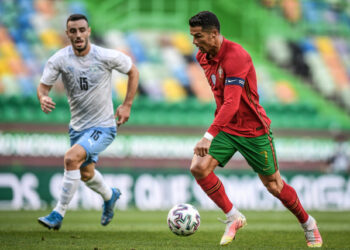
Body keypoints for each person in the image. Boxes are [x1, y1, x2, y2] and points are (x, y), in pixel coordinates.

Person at [188, 11, 322, 247]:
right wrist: (216, 132)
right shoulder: (203, 56)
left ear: (214, 34)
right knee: (199, 168)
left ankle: (308, 223)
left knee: (273, 185)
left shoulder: (236, 56)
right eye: (192, 36)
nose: (194, 42)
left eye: (198, 36)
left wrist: (208, 136)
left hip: (253, 130)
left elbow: (232, 102)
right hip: (227, 128)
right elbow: (222, 99)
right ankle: (233, 216)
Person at [37, 14, 139, 230]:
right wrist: (43, 97)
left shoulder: (104, 56)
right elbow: (43, 86)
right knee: (86, 173)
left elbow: (132, 70)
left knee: (71, 158)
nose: (78, 35)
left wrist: (127, 104)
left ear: (89, 31)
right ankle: (110, 195)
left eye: (82, 30)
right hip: (77, 128)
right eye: (73, 31)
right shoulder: (59, 59)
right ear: (67, 34)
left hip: (103, 126)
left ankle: (58, 214)